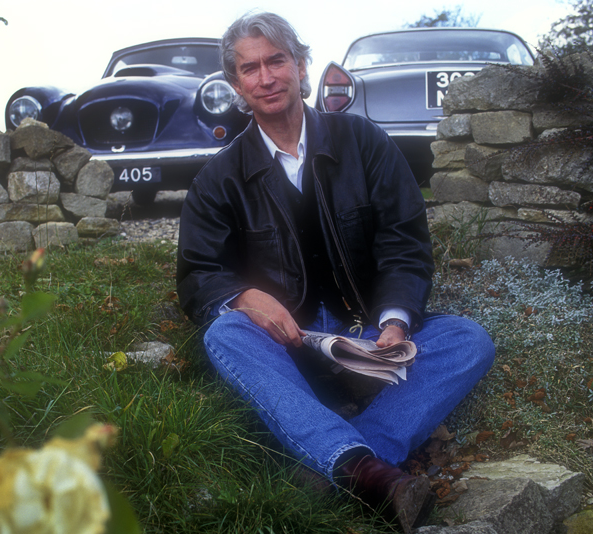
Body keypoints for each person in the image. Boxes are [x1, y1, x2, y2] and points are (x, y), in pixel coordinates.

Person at [176, 12, 495, 533]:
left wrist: (395, 318)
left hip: (367, 333)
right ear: (236, 85)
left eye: (277, 60)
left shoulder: (363, 141)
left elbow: (404, 241)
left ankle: (339, 463)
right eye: (250, 68)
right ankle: (369, 472)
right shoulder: (218, 179)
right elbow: (197, 273)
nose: (267, 77)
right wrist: (243, 297)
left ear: (301, 65)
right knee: (226, 332)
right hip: (289, 345)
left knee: (468, 339)